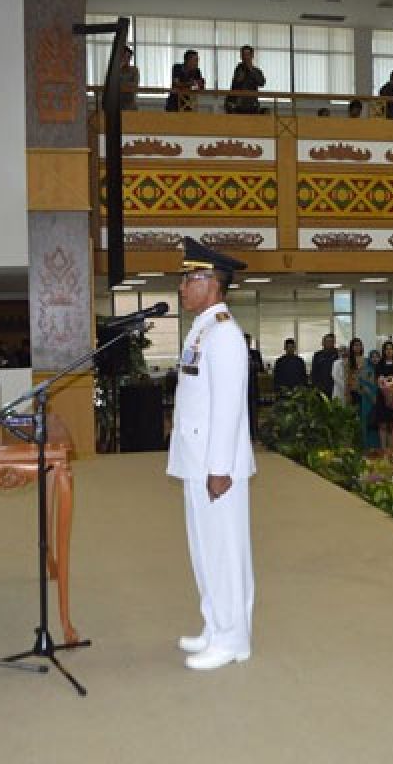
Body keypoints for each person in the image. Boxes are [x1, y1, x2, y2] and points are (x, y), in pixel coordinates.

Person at [167, 236, 255, 671]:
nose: (182, 287)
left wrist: (220, 468)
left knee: (224, 552)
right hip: (196, 461)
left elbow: (228, 408)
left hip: (216, 467)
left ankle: (232, 638)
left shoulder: (224, 335)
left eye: (188, 279)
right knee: (204, 551)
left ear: (211, 282)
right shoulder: (202, 329)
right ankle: (214, 625)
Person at [226, 45, 265, 115]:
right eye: (243, 55)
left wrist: (251, 70)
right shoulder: (238, 69)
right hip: (238, 105)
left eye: (248, 54)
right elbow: (235, 85)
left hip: (252, 105)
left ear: (252, 56)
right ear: (241, 56)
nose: (245, 57)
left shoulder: (257, 71)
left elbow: (261, 83)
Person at [358, 350, 381, 452]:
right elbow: (363, 385)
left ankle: (377, 446)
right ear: (370, 358)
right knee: (368, 422)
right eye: (373, 357)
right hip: (367, 400)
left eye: (377, 357)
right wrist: (372, 397)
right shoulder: (365, 370)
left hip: (380, 400)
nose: (375, 359)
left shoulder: (381, 369)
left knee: (378, 423)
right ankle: (367, 446)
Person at [245, 333, 264, 437]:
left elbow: (261, 368)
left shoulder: (255, 353)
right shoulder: (236, 352)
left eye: (248, 341)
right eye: (245, 341)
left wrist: (253, 364)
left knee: (254, 411)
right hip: (240, 389)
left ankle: (254, 434)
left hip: (253, 386)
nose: (247, 343)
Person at [310, 333, 340, 397]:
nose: (329, 343)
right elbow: (314, 372)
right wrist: (315, 386)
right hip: (321, 388)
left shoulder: (338, 354)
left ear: (334, 343)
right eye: (327, 341)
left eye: (331, 341)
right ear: (323, 343)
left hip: (335, 387)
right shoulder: (317, 355)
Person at [344, 338, 366, 406]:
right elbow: (346, 377)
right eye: (355, 345)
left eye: (359, 345)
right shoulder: (348, 360)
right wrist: (347, 392)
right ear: (352, 347)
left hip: (365, 390)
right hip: (353, 390)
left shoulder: (366, 359)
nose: (358, 347)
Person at [118, 45, 140, 111]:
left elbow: (135, 85)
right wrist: (119, 68)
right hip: (117, 105)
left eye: (128, 57)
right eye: (124, 57)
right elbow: (113, 84)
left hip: (130, 105)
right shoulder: (114, 71)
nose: (126, 59)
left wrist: (122, 84)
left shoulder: (134, 70)